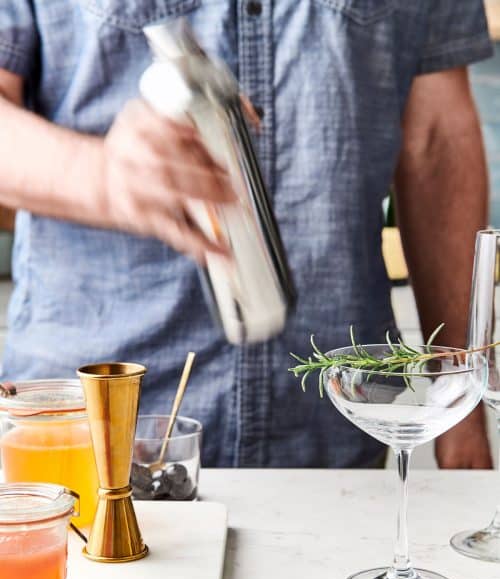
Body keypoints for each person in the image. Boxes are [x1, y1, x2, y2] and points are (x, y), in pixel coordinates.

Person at [0, 0, 493, 468]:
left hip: (330, 425)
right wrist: (101, 175)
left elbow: (434, 139)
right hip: (83, 423)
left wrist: (461, 406)